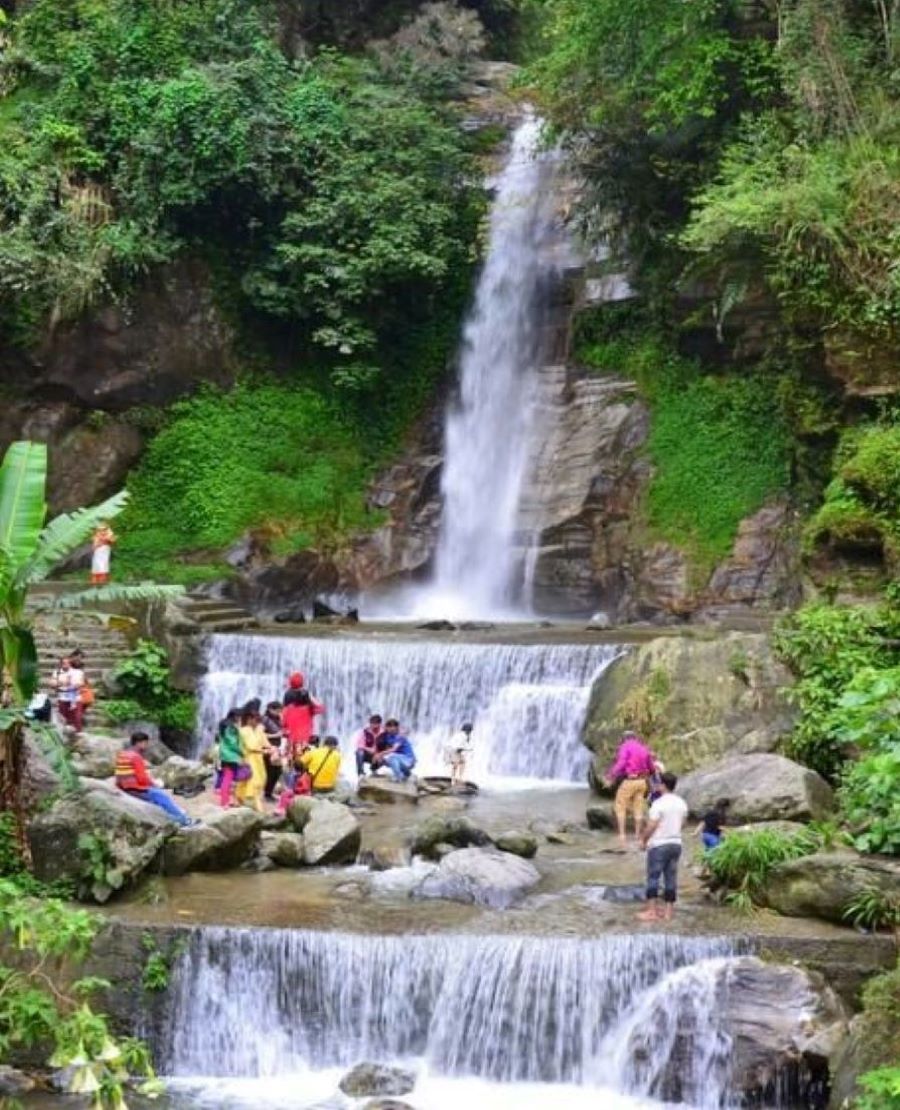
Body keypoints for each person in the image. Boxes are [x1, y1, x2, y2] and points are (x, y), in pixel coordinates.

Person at [637, 771, 689, 923]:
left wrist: (643, 839)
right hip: (676, 844)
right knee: (670, 878)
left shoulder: (659, 803)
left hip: (659, 844)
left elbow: (651, 825)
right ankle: (668, 913)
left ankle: (651, 911)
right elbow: (684, 823)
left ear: (663, 785)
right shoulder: (681, 803)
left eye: (659, 783)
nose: (657, 785)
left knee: (653, 877)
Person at [115, 732, 197, 826]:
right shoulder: (136, 757)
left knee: (158, 797)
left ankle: (177, 813)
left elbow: (118, 775)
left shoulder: (123, 754)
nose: (147, 746)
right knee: (161, 795)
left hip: (125, 787)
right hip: (135, 789)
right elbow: (142, 779)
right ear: (139, 743)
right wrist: (154, 783)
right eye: (145, 743)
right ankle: (184, 820)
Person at [604, 731, 656, 848]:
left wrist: (610, 776)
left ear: (624, 738)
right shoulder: (643, 748)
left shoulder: (625, 747)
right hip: (642, 782)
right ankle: (637, 835)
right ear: (635, 738)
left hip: (630, 780)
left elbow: (622, 763)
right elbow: (651, 767)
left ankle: (622, 835)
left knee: (620, 805)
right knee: (638, 806)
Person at [282, 673, 325, 756]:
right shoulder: (309, 710)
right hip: (305, 741)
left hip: (292, 742)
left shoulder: (287, 710)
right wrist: (311, 698)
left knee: (293, 764)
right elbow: (321, 708)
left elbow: (283, 724)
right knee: (304, 763)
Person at [235, 707, 268, 812]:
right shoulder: (244, 731)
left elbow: (265, 743)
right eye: (256, 720)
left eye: (258, 720)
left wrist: (272, 749)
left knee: (254, 780)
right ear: (249, 719)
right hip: (248, 759)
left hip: (258, 759)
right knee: (253, 781)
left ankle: (240, 800)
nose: (257, 722)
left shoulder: (257, 730)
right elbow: (252, 746)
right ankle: (257, 807)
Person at [51, 656, 85, 734]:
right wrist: (62, 683)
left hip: (75, 698)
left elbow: (81, 683)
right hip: (63, 698)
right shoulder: (57, 672)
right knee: (62, 718)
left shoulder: (78, 672)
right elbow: (52, 683)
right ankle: (62, 735)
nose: (65, 664)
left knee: (77, 717)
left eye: (67, 663)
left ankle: (78, 734)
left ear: (70, 664)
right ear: (60, 664)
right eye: (63, 663)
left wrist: (72, 684)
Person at [217, 709, 243, 808]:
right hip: (231, 756)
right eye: (239, 716)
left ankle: (228, 800)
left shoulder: (223, 724)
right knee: (228, 779)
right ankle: (225, 802)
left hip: (224, 754)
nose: (240, 718)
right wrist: (241, 752)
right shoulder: (230, 727)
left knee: (228, 778)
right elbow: (232, 743)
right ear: (235, 716)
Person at [262, 701, 285, 801]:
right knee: (271, 771)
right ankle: (267, 794)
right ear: (270, 709)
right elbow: (259, 734)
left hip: (276, 748)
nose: (280, 712)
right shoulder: (264, 719)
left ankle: (269, 792)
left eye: (281, 710)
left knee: (277, 771)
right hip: (268, 749)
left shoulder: (277, 719)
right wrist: (275, 735)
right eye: (278, 710)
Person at [445, 722, 474, 786]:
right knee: (455, 765)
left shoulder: (464, 735)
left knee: (463, 762)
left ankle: (460, 778)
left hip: (455, 749)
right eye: (470, 730)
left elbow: (462, 746)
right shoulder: (462, 736)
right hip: (453, 750)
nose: (471, 732)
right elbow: (458, 748)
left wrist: (467, 748)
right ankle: (453, 780)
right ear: (468, 730)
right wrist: (468, 749)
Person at [90, 521, 117, 585]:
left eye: (104, 529)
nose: (102, 531)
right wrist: (100, 541)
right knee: (96, 568)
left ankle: (102, 583)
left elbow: (112, 540)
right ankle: (95, 584)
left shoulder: (109, 535)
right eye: (100, 530)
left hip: (105, 552)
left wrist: (108, 535)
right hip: (98, 553)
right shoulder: (96, 536)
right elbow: (94, 546)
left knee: (103, 567)